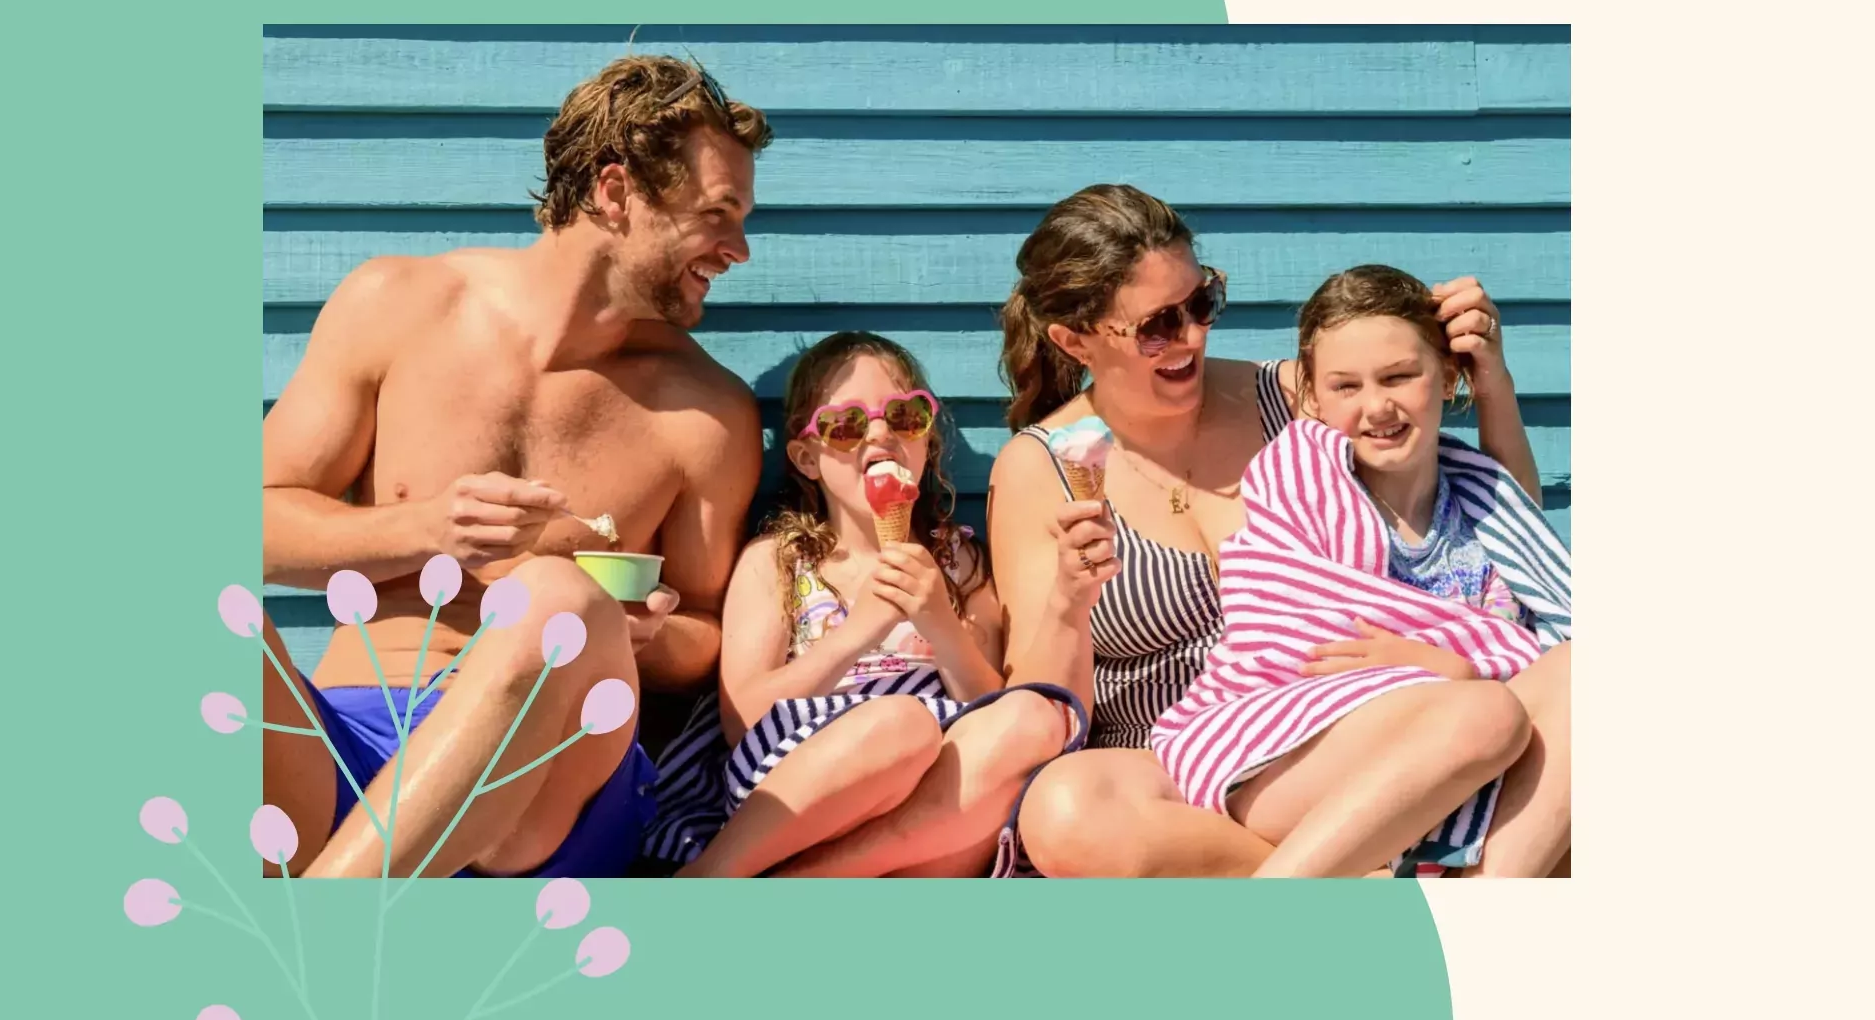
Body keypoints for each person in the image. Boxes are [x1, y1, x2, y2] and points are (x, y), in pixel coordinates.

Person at [259, 55, 771, 878]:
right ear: (616, 192)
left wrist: (636, 629)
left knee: (555, 598)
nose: (738, 249)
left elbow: (707, 633)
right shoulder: (399, 306)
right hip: (340, 750)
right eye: (718, 213)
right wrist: (425, 529)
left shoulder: (705, 413)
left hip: (544, 801)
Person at [991, 184, 1544, 876]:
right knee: (1064, 808)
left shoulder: (1295, 397)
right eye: (1157, 326)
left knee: (1527, 707)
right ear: (1073, 340)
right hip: (1173, 771)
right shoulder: (1040, 467)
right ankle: (1361, 871)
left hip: (1349, 737)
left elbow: (1510, 538)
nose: (1192, 336)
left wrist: (1489, 380)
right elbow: (1043, 708)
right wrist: (1070, 599)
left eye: (1203, 303)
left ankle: (1320, 882)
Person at [1150, 265, 1571, 877]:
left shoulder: (1482, 509)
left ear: (1449, 376)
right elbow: (1295, 645)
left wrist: (1450, 668)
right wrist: (1448, 678)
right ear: (1314, 400)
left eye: (1400, 376)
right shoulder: (1301, 488)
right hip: (1289, 760)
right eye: (1347, 387)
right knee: (1487, 714)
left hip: (1456, 763)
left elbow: (1524, 556)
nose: (1377, 406)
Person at [650, 332, 1091, 878]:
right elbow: (744, 721)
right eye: (847, 425)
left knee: (1031, 717)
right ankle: (713, 875)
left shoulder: (960, 563)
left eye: (905, 416)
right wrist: (858, 631)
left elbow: (987, 703)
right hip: (802, 785)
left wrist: (940, 623)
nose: (880, 434)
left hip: (933, 799)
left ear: (926, 440)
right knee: (900, 727)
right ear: (807, 459)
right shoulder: (779, 562)